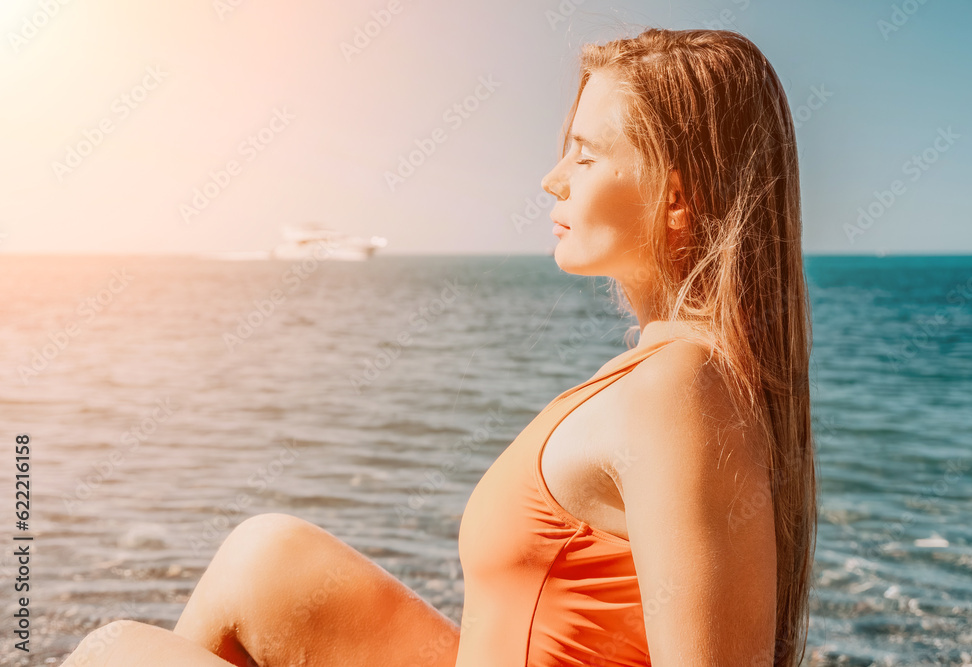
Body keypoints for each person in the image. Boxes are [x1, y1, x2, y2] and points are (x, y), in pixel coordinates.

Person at [60, 26, 816, 667]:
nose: (553, 179)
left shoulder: (680, 389)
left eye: (584, 156)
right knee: (268, 556)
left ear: (677, 198)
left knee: (115, 651)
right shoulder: (669, 373)